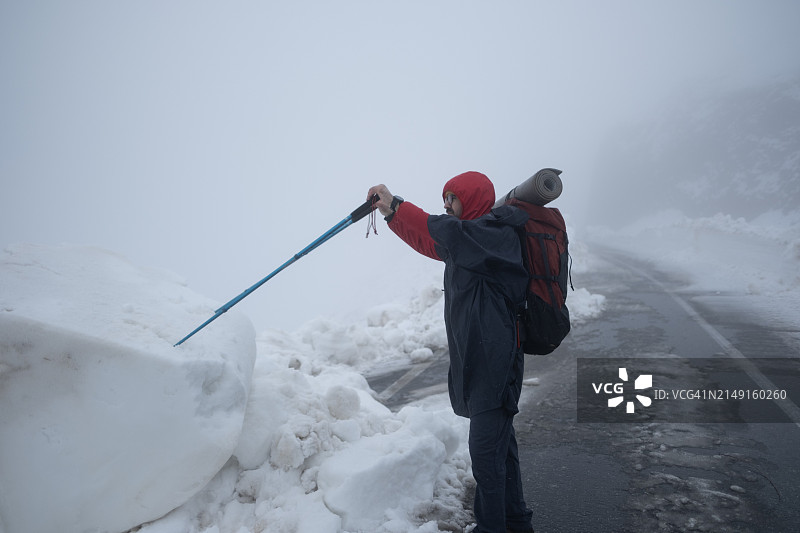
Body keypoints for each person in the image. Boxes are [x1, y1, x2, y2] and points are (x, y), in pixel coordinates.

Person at [367, 171, 535, 533]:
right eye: (444, 198)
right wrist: (392, 215)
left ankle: (493, 528)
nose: (446, 205)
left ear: (472, 198)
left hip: (497, 362)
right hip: (481, 361)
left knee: (487, 454)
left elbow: (444, 231)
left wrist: (395, 202)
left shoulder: (493, 235)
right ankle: (516, 521)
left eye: (452, 198)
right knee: (499, 447)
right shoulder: (471, 243)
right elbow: (429, 240)